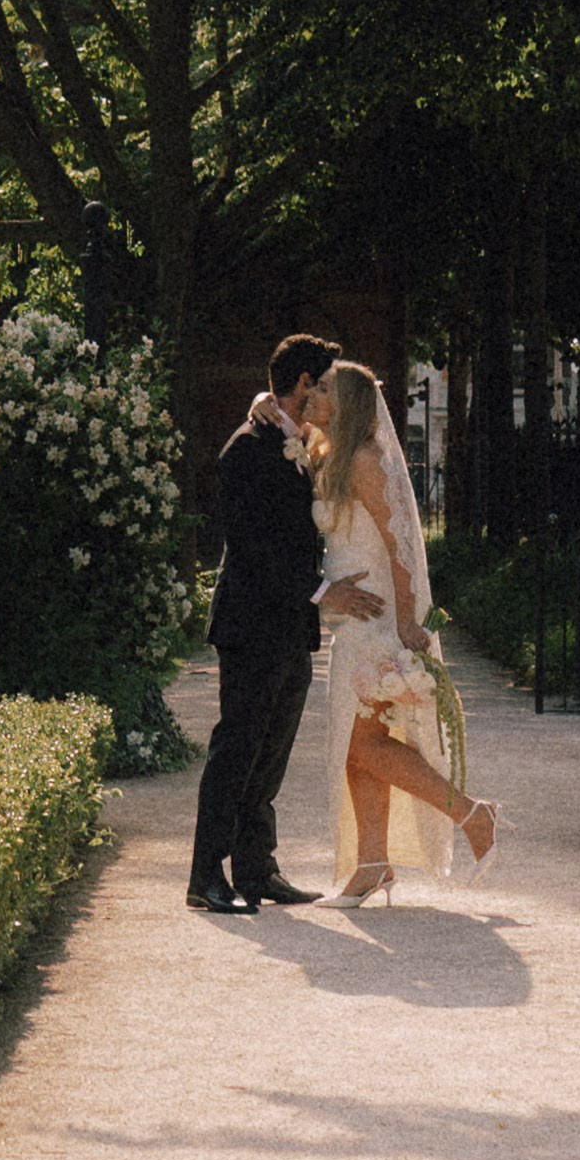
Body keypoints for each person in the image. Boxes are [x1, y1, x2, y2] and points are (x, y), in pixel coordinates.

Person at [187, 334, 385, 914]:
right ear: (302, 384)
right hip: (250, 628)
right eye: (320, 383)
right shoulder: (246, 449)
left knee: (269, 757)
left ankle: (256, 869)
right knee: (236, 750)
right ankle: (205, 875)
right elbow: (252, 548)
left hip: (289, 631)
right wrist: (325, 592)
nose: (325, 393)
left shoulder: (296, 441)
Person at [309, 357, 499, 905]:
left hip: (380, 620)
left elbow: (402, 549)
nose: (313, 399)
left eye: (324, 391)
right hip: (356, 620)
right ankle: (374, 864)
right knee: (358, 746)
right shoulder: (337, 455)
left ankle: (471, 815)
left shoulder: (366, 460)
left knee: (363, 745)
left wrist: (408, 623)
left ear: (347, 405)